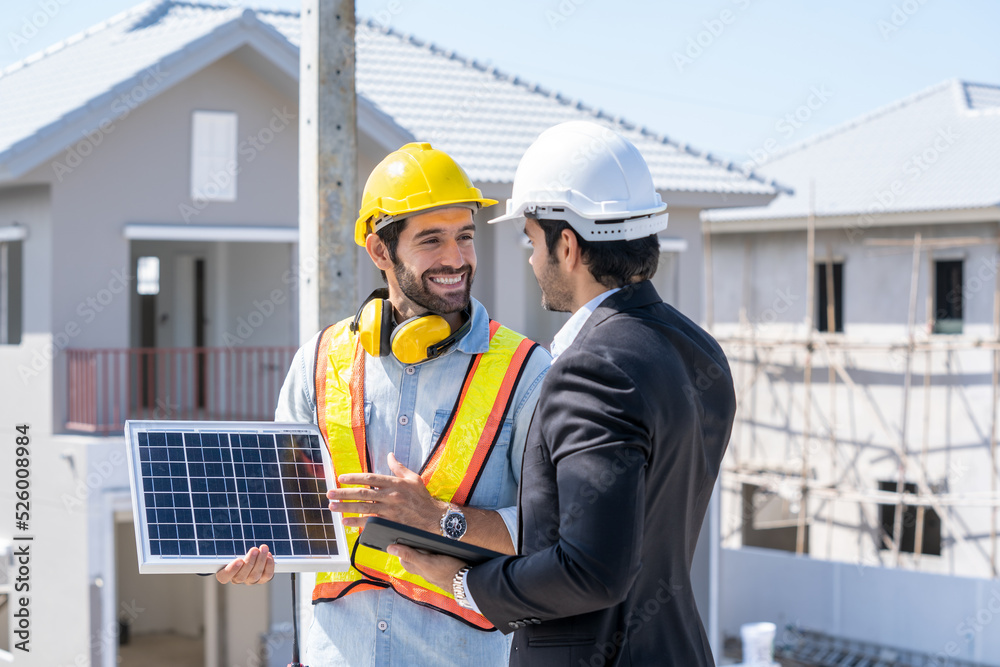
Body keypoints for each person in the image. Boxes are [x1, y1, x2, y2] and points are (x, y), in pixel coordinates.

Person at [390, 121, 737, 666]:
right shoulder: (697, 350)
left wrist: (464, 582)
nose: (530, 260)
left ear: (568, 246)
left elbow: (592, 570)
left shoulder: (592, 369)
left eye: (531, 240)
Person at [215, 141, 551, 667]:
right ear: (379, 251)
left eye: (465, 237)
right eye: (431, 240)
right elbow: (273, 506)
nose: (456, 258)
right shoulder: (319, 362)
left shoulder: (527, 372)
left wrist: (442, 519)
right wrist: (240, 555)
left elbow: (554, 531)